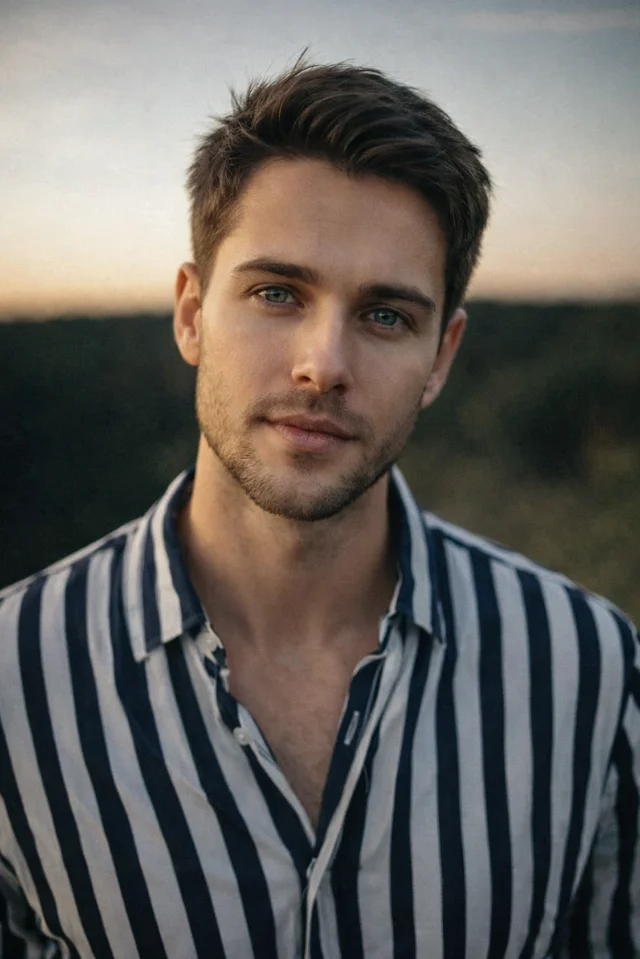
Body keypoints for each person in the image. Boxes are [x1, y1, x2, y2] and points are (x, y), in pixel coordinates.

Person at [0, 57, 637, 959]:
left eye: (385, 316)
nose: (322, 363)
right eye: (276, 293)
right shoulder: (14, 682)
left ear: (442, 357)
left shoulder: (591, 672)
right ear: (190, 314)